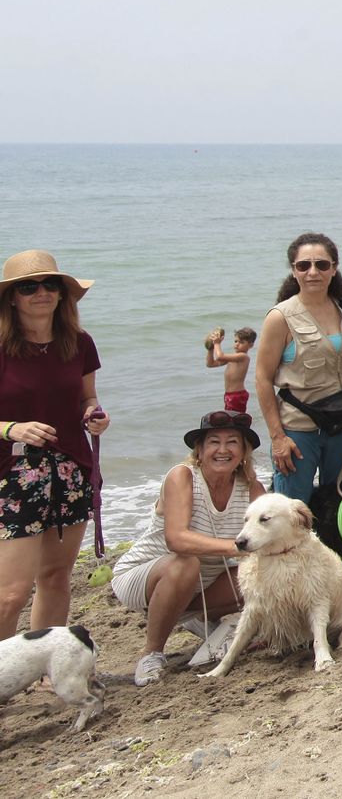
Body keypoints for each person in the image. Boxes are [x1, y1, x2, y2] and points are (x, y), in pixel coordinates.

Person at [0, 251, 111, 640]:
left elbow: (86, 399)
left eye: (50, 285)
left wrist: (94, 415)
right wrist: (11, 428)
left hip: (71, 469)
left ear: (63, 294)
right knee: (11, 594)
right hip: (12, 477)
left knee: (55, 577)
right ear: (12, 298)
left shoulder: (78, 343)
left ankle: (45, 667)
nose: (41, 293)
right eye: (28, 287)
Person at [110, 411, 265, 686]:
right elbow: (176, 540)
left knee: (262, 572)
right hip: (147, 573)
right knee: (186, 561)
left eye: (232, 442)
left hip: (203, 586)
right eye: (213, 442)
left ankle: (193, 617)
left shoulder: (252, 488)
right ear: (200, 451)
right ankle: (151, 653)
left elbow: (273, 534)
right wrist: (237, 547)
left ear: (243, 452)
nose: (222, 450)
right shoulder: (182, 477)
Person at [256, 233, 342, 506]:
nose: (313, 272)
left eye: (322, 265)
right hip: (299, 429)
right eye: (304, 265)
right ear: (294, 270)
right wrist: (278, 438)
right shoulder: (280, 317)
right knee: (292, 509)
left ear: (334, 268)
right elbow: (263, 380)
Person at [204, 327, 256, 413]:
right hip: (230, 395)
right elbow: (210, 364)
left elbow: (220, 356)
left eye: (241, 342)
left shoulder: (243, 357)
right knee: (231, 419)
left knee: (235, 420)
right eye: (236, 341)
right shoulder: (232, 358)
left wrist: (217, 343)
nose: (237, 344)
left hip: (237, 395)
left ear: (250, 345)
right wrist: (211, 348)